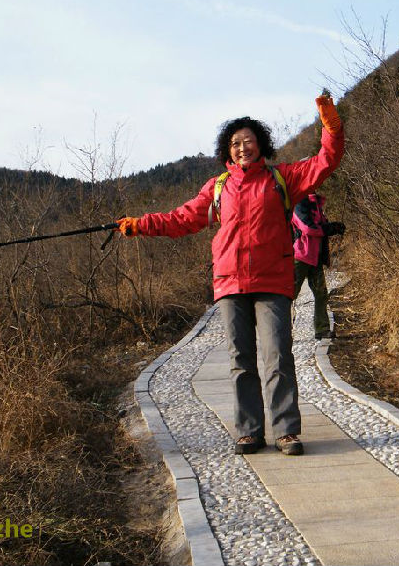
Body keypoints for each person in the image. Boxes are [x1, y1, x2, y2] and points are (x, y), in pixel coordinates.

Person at [117, 94, 344, 457]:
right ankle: (250, 431)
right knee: (241, 361)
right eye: (235, 143)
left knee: (278, 357)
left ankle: (286, 432)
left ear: (261, 144)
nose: (242, 148)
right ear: (228, 149)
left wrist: (330, 123)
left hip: (272, 281)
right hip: (230, 283)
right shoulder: (218, 187)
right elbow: (181, 218)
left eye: (248, 141)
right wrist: (140, 224)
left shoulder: (281, 178)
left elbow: (327, 160)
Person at [292, 193, 345, 339]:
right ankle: (280, 330)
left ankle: (322, 329)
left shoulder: (315, 203)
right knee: (290, 295)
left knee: (321, 293)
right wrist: (328, 229)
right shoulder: (298, 202)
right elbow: (307, 227)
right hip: (300, 257)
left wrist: (332, 227)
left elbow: (320, 226)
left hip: (314, 257)